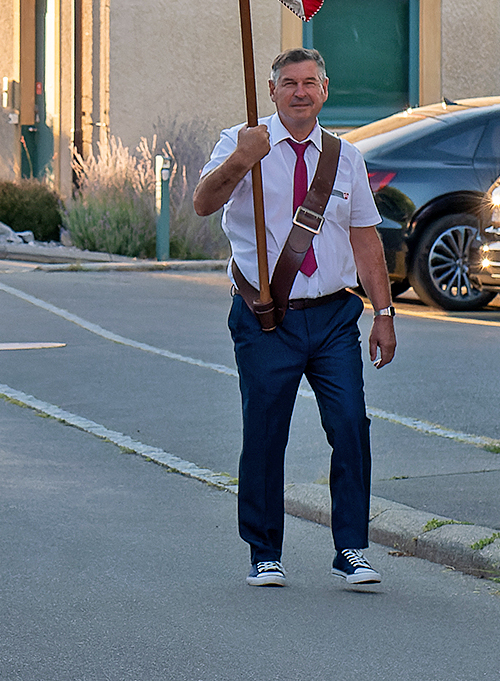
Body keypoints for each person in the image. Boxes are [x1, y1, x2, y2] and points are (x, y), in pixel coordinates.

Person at [191, 47, 396, 591]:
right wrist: (240, 161)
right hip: (265, 316)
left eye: (309, 82)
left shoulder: (345, 157)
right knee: (265, 431)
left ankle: (351, 547)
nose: (299, 92)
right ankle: (264, 550)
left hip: (332, 316)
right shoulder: (242, 141)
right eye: (289, 83)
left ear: (324, 90)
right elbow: (202, 203)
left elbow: (365, 237)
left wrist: (384, 311)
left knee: (351, 424)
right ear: (273, 89)